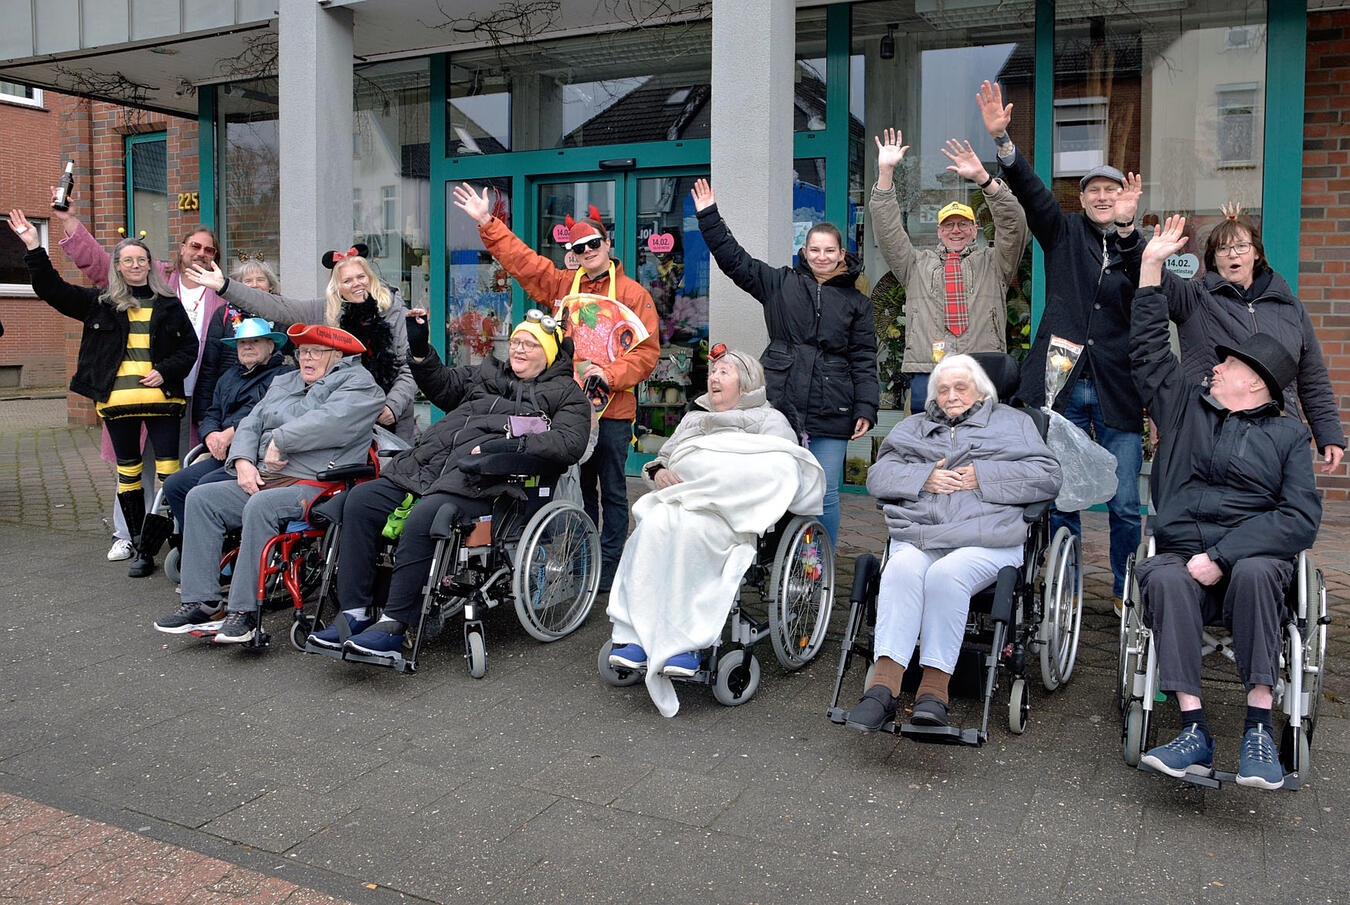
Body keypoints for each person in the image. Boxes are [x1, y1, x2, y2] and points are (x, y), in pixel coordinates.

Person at [1130, 216, 1321, 791]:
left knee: (1264, 571)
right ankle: (1193, 729)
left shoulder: (1288, 437)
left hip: (1248, 564)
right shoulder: (1185, 404)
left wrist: (1224, 554)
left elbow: (1299, 519)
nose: (1213, 366)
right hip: (1183, 556)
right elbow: (1145, 352)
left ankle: (1259, 728)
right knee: (1159, 577)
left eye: (1227, 362)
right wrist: (1150, 267)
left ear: (1256, 382)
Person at [307, 310, 592, 658]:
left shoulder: (565, 394)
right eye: (516, 341)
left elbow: (569, 444)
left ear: (548, 352)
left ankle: (396, 623)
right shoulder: (488, 375)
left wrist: (510, 443)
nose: (518, 349)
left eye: (529, 345)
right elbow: (442, 384)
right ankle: (354, 613)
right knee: (361, 501)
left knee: (425, 516)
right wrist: (421, 349)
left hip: (492, 482)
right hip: (430, 467)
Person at [977, 79, 1144, 610]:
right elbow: (1030, 192)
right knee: (1061, 495)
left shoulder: (1138, 247)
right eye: (1094, 189)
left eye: (1111, 191)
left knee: (1124, 503)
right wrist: (1004, 145)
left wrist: (1128, 234)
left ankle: (1124, 592)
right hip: (1061, 381)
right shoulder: (1063, 231)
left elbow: (1147, 290)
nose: (1101, 196)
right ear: (1082, 197)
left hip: (1118, 387)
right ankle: (1063, 587)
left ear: (1125, 200)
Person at [452, 183, 660, 592]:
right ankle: (582, 561)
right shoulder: (563, 285)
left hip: (614, 412)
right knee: (575, 491)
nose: (587, 252)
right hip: (567, 411)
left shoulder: (635, 294)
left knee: (614, 491)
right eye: (579, 248)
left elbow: (646, 352)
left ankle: (612, 567)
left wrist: (611, 376)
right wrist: (486, 222)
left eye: (593, 244)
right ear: (573, 253)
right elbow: (523, 262)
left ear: (607, 242)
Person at [604, 346, 826, 717]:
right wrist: (658, 473)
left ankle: (685, 644)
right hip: (681, 500)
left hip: (728, 513)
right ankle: (634, 635)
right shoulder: (694, 418)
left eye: (724, 372)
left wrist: (725, 483)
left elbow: (782, 472)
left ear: (748, 381)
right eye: (713, 372)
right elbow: (663, 459)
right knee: (652, 528)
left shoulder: (770, 420)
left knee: (695, 536)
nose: (714, 377)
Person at [847, 354, 1061, 731]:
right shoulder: (913, 427)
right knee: (899, 570)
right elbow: (878, 477)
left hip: (986, 538)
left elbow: (1047, 478)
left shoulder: (1016, 424)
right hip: (922, 533)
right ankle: (882, 690)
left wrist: (984, 476)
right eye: (942, 389)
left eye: (961, 387)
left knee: (946, 576)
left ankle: (933, 692)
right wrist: (923, 477)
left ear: (981, 390)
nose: (951, 395)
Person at [151, 323, 385, 643]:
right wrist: (243, 460)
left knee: (261, 505)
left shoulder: (359, 384)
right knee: (201, 497)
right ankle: (203, 603)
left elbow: (332, 423)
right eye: (302, 351)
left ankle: (244, 614)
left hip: (317, 484)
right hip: (267, 476)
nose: (306, 358)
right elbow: (250, 422)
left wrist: (281, 439)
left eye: (316, 351)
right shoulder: (284, 381)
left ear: (338, 355)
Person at [8, 208, 198, 578]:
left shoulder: (170, 305)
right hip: (118, 406)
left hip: (163, 404)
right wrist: (33, 245)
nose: (135, 265)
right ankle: (143, 548)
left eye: (141, 259)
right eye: (127, 260)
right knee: (127, 474)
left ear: (150, 266)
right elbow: (51, 290)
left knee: (169, 473)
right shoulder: (101, 304)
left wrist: (164, 370)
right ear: (118, 266)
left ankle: (179, 542)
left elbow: (188, 350)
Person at [691, 178, 879, 546]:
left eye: (829, 251)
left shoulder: (858, 303)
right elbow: (735, 260)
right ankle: (775, 558)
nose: (822, 256)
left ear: (842, 254)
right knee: (775, 486)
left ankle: (817, 563)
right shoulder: (780, 283)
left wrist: (866, 406)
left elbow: (864, 357)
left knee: (824, 492)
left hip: (833, 406)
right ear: (804, 252)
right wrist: (709, 216)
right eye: (815, 250)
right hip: (780, 402)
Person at [53, 203, 227, 566]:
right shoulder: (157, 276)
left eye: (209, 249)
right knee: (130, 467)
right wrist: (70, 223)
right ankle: (127, 536)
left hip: (191, 396)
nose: (201, 253)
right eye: (195, 246)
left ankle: (175, 538)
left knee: (175, 469)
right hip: (133, 392)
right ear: (181, 249)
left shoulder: (221, 291)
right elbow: (101, 263)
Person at [1159, 204, 1345, 473]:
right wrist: (1139, 243)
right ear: (1213, 259)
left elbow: (1312, 376)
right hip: (1217, 432)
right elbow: (1157, 285)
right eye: (1222, 249)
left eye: (1241, 246)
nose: (1232, 254)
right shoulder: (1196, 298)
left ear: (1256, 253)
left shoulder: (1291, 308)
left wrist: (1329, 435)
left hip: (1280, 433)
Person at [185, 246, 418, 441]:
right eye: (347, 280)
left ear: (370, 278)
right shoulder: (323, 311)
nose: (356, 284)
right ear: (337, 287)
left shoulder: (394, 311)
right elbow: (274, 306)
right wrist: (225, 287)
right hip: (342, 415)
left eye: (361, 277)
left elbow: (410, 367)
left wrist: (391, 407)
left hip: (390, 418)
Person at [869, 129, 1028, 414]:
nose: (956, 230)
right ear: (939, 232)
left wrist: (984, 180)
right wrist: (885, 174)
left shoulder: (995, 263)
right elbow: (888, 232)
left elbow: (1013, 225)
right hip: (928, 370)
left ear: (974, 230)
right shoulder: (915, 264)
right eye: (949, 225)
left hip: (982, 366)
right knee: (928, 448)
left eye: (963, 224)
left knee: (982, 447)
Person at [158, 317, 293, 533]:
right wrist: (210, 434)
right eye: (242, 343)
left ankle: (226, 543)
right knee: (175, 485)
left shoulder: (284, 377)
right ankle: (194, 545)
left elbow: (269, 414)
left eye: (255, 341)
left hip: (256, 456)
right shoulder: (228, 376)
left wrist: (232, 432)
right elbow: (212, 412)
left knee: (204, 487)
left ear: (270, 346)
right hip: (223, 455)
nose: (247, 346)